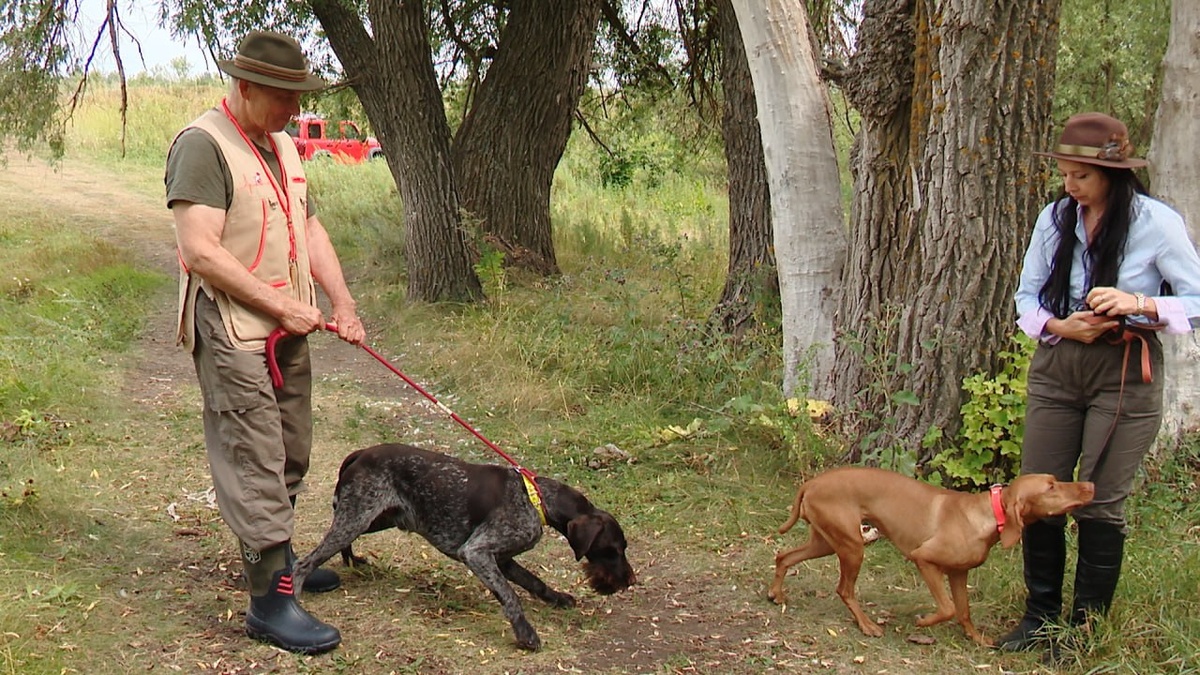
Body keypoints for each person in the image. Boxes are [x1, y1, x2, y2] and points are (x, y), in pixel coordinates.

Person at [165, 30, 366, 655]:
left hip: (285, 326)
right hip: (233, 329)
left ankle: (280, 564)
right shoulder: (203, 146)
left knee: (290, 448)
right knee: (254, 455)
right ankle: (269, 603)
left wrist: (343, 303)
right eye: (282, 96)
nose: (292, 109)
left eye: (297, 96)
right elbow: (200, 251)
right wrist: (282, 304)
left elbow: (307, 224)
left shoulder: (281, 144)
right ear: (245, 86)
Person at [1002, 112, 1200, 659]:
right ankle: (1039, 619)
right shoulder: (1055, 218)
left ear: (1112, 174)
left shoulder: (1155, 223)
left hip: (1124, 372)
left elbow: (1197, 299)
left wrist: (1139, 303)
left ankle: (1082, 631)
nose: (1070, 187)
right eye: (1065, 175)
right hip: (1060, 363)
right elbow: (1025, 298)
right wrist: (1059, 324)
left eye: (1081, 177)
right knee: (1040, 490)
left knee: (1099, 500)